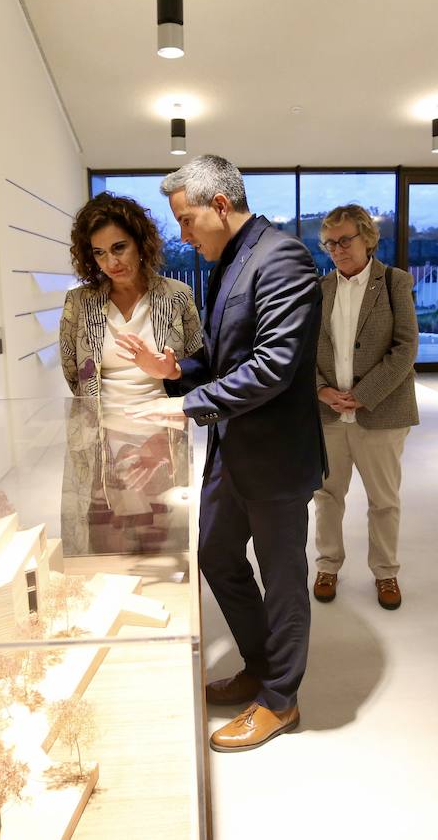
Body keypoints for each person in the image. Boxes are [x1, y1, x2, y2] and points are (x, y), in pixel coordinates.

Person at [123, 154, 325, 753]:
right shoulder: (229, 261)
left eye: (186, 221)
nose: (182, 235)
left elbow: (274, 366)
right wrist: (174, 371)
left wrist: (185, 406)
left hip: (277, 458)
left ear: (219, 205)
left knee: (284, 577)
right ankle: (262, 666)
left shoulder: (282, 257)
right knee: (214, 550)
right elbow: (222, 358)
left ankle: (281, 699)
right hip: (231, 454)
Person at [57, 193, 202, 555]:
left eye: (119, 247)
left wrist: (170, 371)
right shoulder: (80, 303)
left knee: (165, 545)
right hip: (100, 441)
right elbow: (74, 373)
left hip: (162, 439)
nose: (111, 261)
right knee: (108, 544)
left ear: (141, 242)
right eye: (99, 253)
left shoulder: (178, 297)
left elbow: (201, 368)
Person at [311, 204, 419, 610]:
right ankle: (327, 564)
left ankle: (386, 573)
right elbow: (302, 352)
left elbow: (406, 347)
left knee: (384, 499)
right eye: (330, 244)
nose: (337, 250)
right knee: (326, 496)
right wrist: (321, 390)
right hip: (328, 414)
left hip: (381, 413)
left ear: (367, 238)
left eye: (345, 240)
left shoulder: (394, 282)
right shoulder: (318, 290)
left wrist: (365, 392)